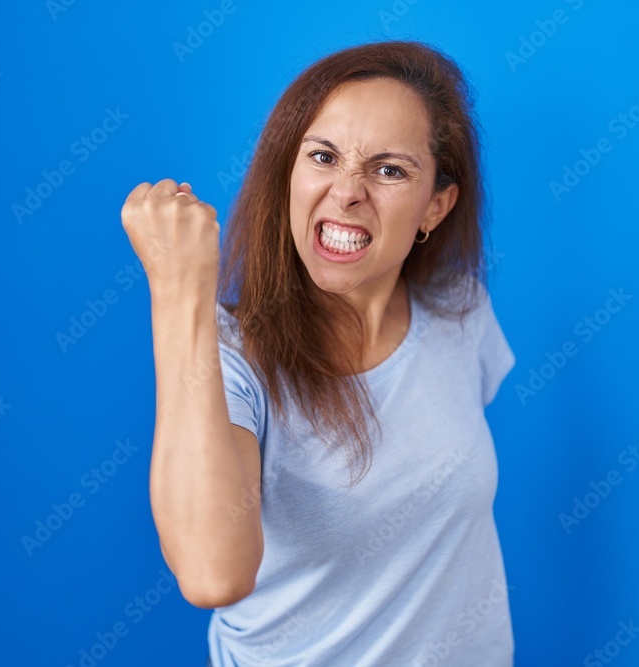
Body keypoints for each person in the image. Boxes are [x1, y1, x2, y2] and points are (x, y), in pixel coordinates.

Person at [120, 40, 516, 667]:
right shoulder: (232, 361)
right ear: (287, 173)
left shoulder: (457, 309)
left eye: (390, 170)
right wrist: (177, 292)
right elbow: (210, 574)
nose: (347, 192)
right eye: (323, 156)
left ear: (434, 207)